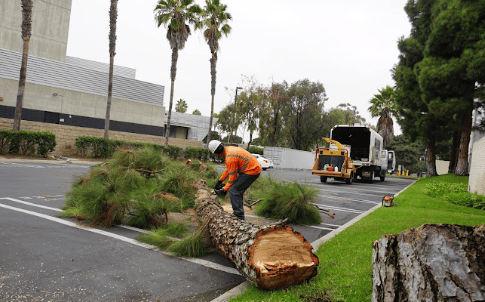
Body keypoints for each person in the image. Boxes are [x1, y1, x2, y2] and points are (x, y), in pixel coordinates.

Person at [208, 140, 261, 220]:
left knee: (234, 190)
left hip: (252, 171)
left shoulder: (230, 157)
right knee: (236, 189)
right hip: (250, 169)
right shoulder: (229, 151)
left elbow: (233, 179)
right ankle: (239, 212)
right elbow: (228, 170)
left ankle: (239, 216)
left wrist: (224, 190)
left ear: (217, 153)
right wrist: (220, 181)